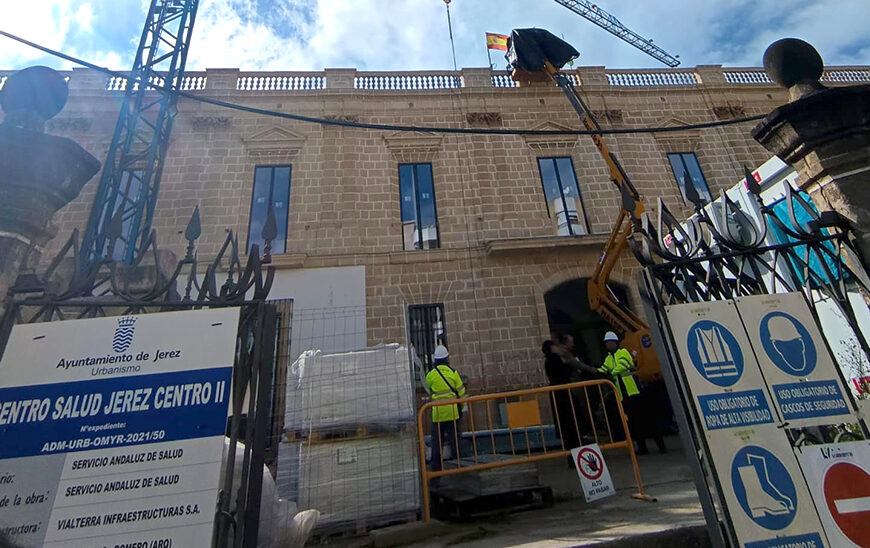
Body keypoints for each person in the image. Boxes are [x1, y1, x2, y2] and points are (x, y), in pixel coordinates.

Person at [599, 331, 665, 455]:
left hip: (634, 392)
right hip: (623, 395)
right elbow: (602, 369)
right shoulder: (608, 358)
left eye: (608, 342)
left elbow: (619, 368)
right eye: (606, 343)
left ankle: (660, 444)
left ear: (615, 342)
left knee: (645, 420)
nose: (607, 345)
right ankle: (642, 447)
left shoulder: (623, 353)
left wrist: (608, 372)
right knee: (633, 424)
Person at [425, 344, 466, 472]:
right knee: (455, 442)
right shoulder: (453, 373)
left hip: (437, 414)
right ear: (447, 358)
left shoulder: (431, 375)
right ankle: (459, 467)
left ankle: (436, 470)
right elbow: (461, 392)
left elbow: (428, 389)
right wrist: (461, 407)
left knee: (437, 444)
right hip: (452, 413)